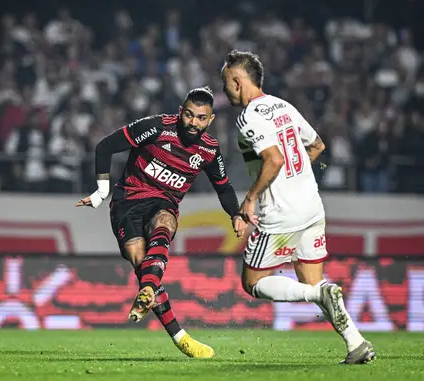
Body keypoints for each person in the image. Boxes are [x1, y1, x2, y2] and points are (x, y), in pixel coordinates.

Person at [220, 50, 376, 365]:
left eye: (225, 83)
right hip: (312, 208)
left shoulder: (249, 116)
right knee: (313, 282)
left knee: (253, 283)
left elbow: (274, 159)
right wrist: (295, 179)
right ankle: (356, 344)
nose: (224, 90)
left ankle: (320, 295)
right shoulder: (284, 107)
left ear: (237, 82)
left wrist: (250, 200)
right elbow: (317, 145)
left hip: (281, 215)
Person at [76, 87, 247, 358]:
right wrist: (101, 190)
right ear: (181, 112)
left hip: (163, 203)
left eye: (201, 118)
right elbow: (105, 146)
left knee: (165, 222)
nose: (193, 122)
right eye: (189, 115)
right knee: (141, 263)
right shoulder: (156, 128)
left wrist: (236, 214)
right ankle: (177, 332)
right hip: (127, 203)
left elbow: (223, 187)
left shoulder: (209, 150)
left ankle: (158, 306)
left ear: (210, 120)